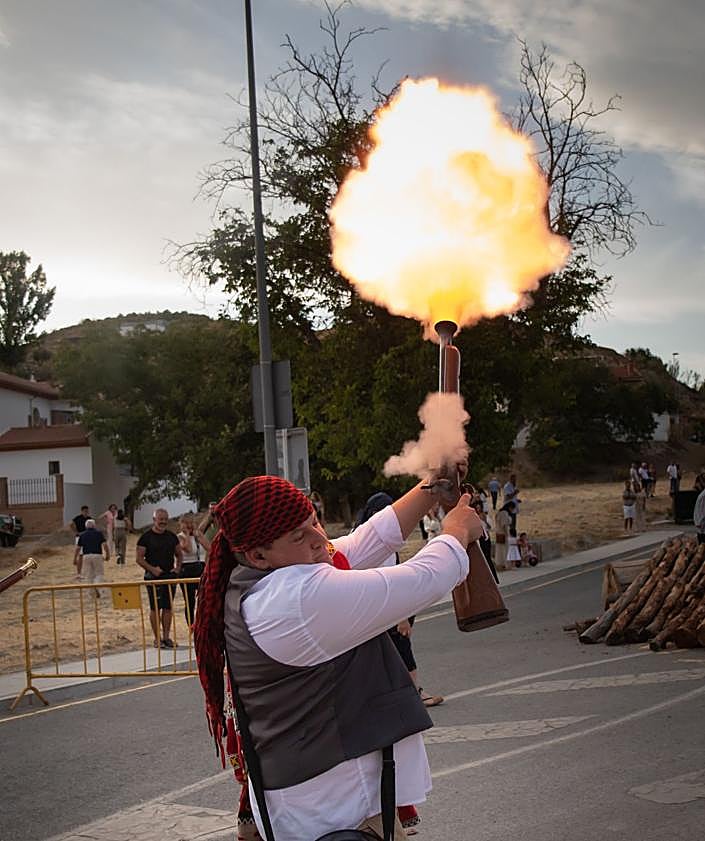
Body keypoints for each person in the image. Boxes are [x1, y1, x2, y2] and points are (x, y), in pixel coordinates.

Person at [195, 474, 482, 841]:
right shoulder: (295, 598)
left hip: (317, 804)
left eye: (313, 521)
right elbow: (420, 580)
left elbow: (364, 540)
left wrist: (429, 489)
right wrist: (455, 531)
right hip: (337, 810)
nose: (320, 540)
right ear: (258, 554)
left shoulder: (265, 575)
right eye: (301, 535)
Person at [136, 509, 184, 649]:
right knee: (155, 608)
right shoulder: (145, 537)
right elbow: (139, 558)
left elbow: (179, 554)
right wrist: (152, 569)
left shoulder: (171, 536)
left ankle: (166, 637)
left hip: (169, 576)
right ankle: (157, 639)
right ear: (154, 519)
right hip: (152, 577)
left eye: (165, 519)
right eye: (160, 519)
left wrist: (177, 568)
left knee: (168, 607)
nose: (163, 521)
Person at [177, 513, 210, 628]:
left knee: (204, 598)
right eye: (187, 523)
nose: (190, 526)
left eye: (191, 523)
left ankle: (203, 623)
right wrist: (186, 534)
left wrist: (199, 536)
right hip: (186, 568)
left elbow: (209, 548)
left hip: (199, 566)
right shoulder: (180, 537)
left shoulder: (197, 536)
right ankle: (191, 625)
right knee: (190, 600)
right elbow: (188, 549)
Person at [73, 519, 108, 595]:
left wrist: (75, 558)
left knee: (89, 575)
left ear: (86, 527)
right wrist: (107, 555)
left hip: (86, 556)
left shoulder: (82, 535)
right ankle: (97, 585)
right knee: (99, 573)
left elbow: (78, 548)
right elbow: (105, 545)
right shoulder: (99, 534)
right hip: (97, 555)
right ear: (94, 525)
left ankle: (91, 592)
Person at [494, 501, 514, 570]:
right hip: (503, 533)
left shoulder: (499, 513)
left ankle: (500, 564)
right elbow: (504, 525)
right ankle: (505, 564)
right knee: (505, 550)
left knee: (500, 550)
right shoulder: (504, 513)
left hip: (499, 533)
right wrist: (507, 534)